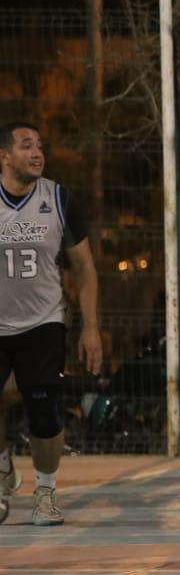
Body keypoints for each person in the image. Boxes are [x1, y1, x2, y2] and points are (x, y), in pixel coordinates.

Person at [0, 121, 102, 526]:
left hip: (43, 322)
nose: (37, 152)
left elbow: (86, 268)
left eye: (40, 146)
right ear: (5, 156)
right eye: (26, 146)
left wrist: (91, 327)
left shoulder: (58, 198)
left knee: (43, 413)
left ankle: (45, 492)